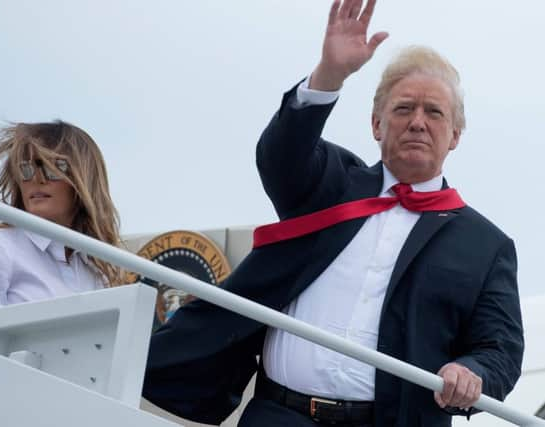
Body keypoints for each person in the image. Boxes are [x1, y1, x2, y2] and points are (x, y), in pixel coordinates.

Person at [142, 1, 524, 426]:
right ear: (377, 125)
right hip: (279, 415)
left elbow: (500, 350)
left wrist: (473, 372)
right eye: (403, 109)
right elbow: (280, 156)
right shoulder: (331, 184)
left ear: (455, 135)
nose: (418, 122)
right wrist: (330, 75)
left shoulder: (486, 246)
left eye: (434, 112)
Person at [0, 121, 124, 335]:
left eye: (53, 168)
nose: (36, 179)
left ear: (83, 180)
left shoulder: (97, 272)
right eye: (26, 169)